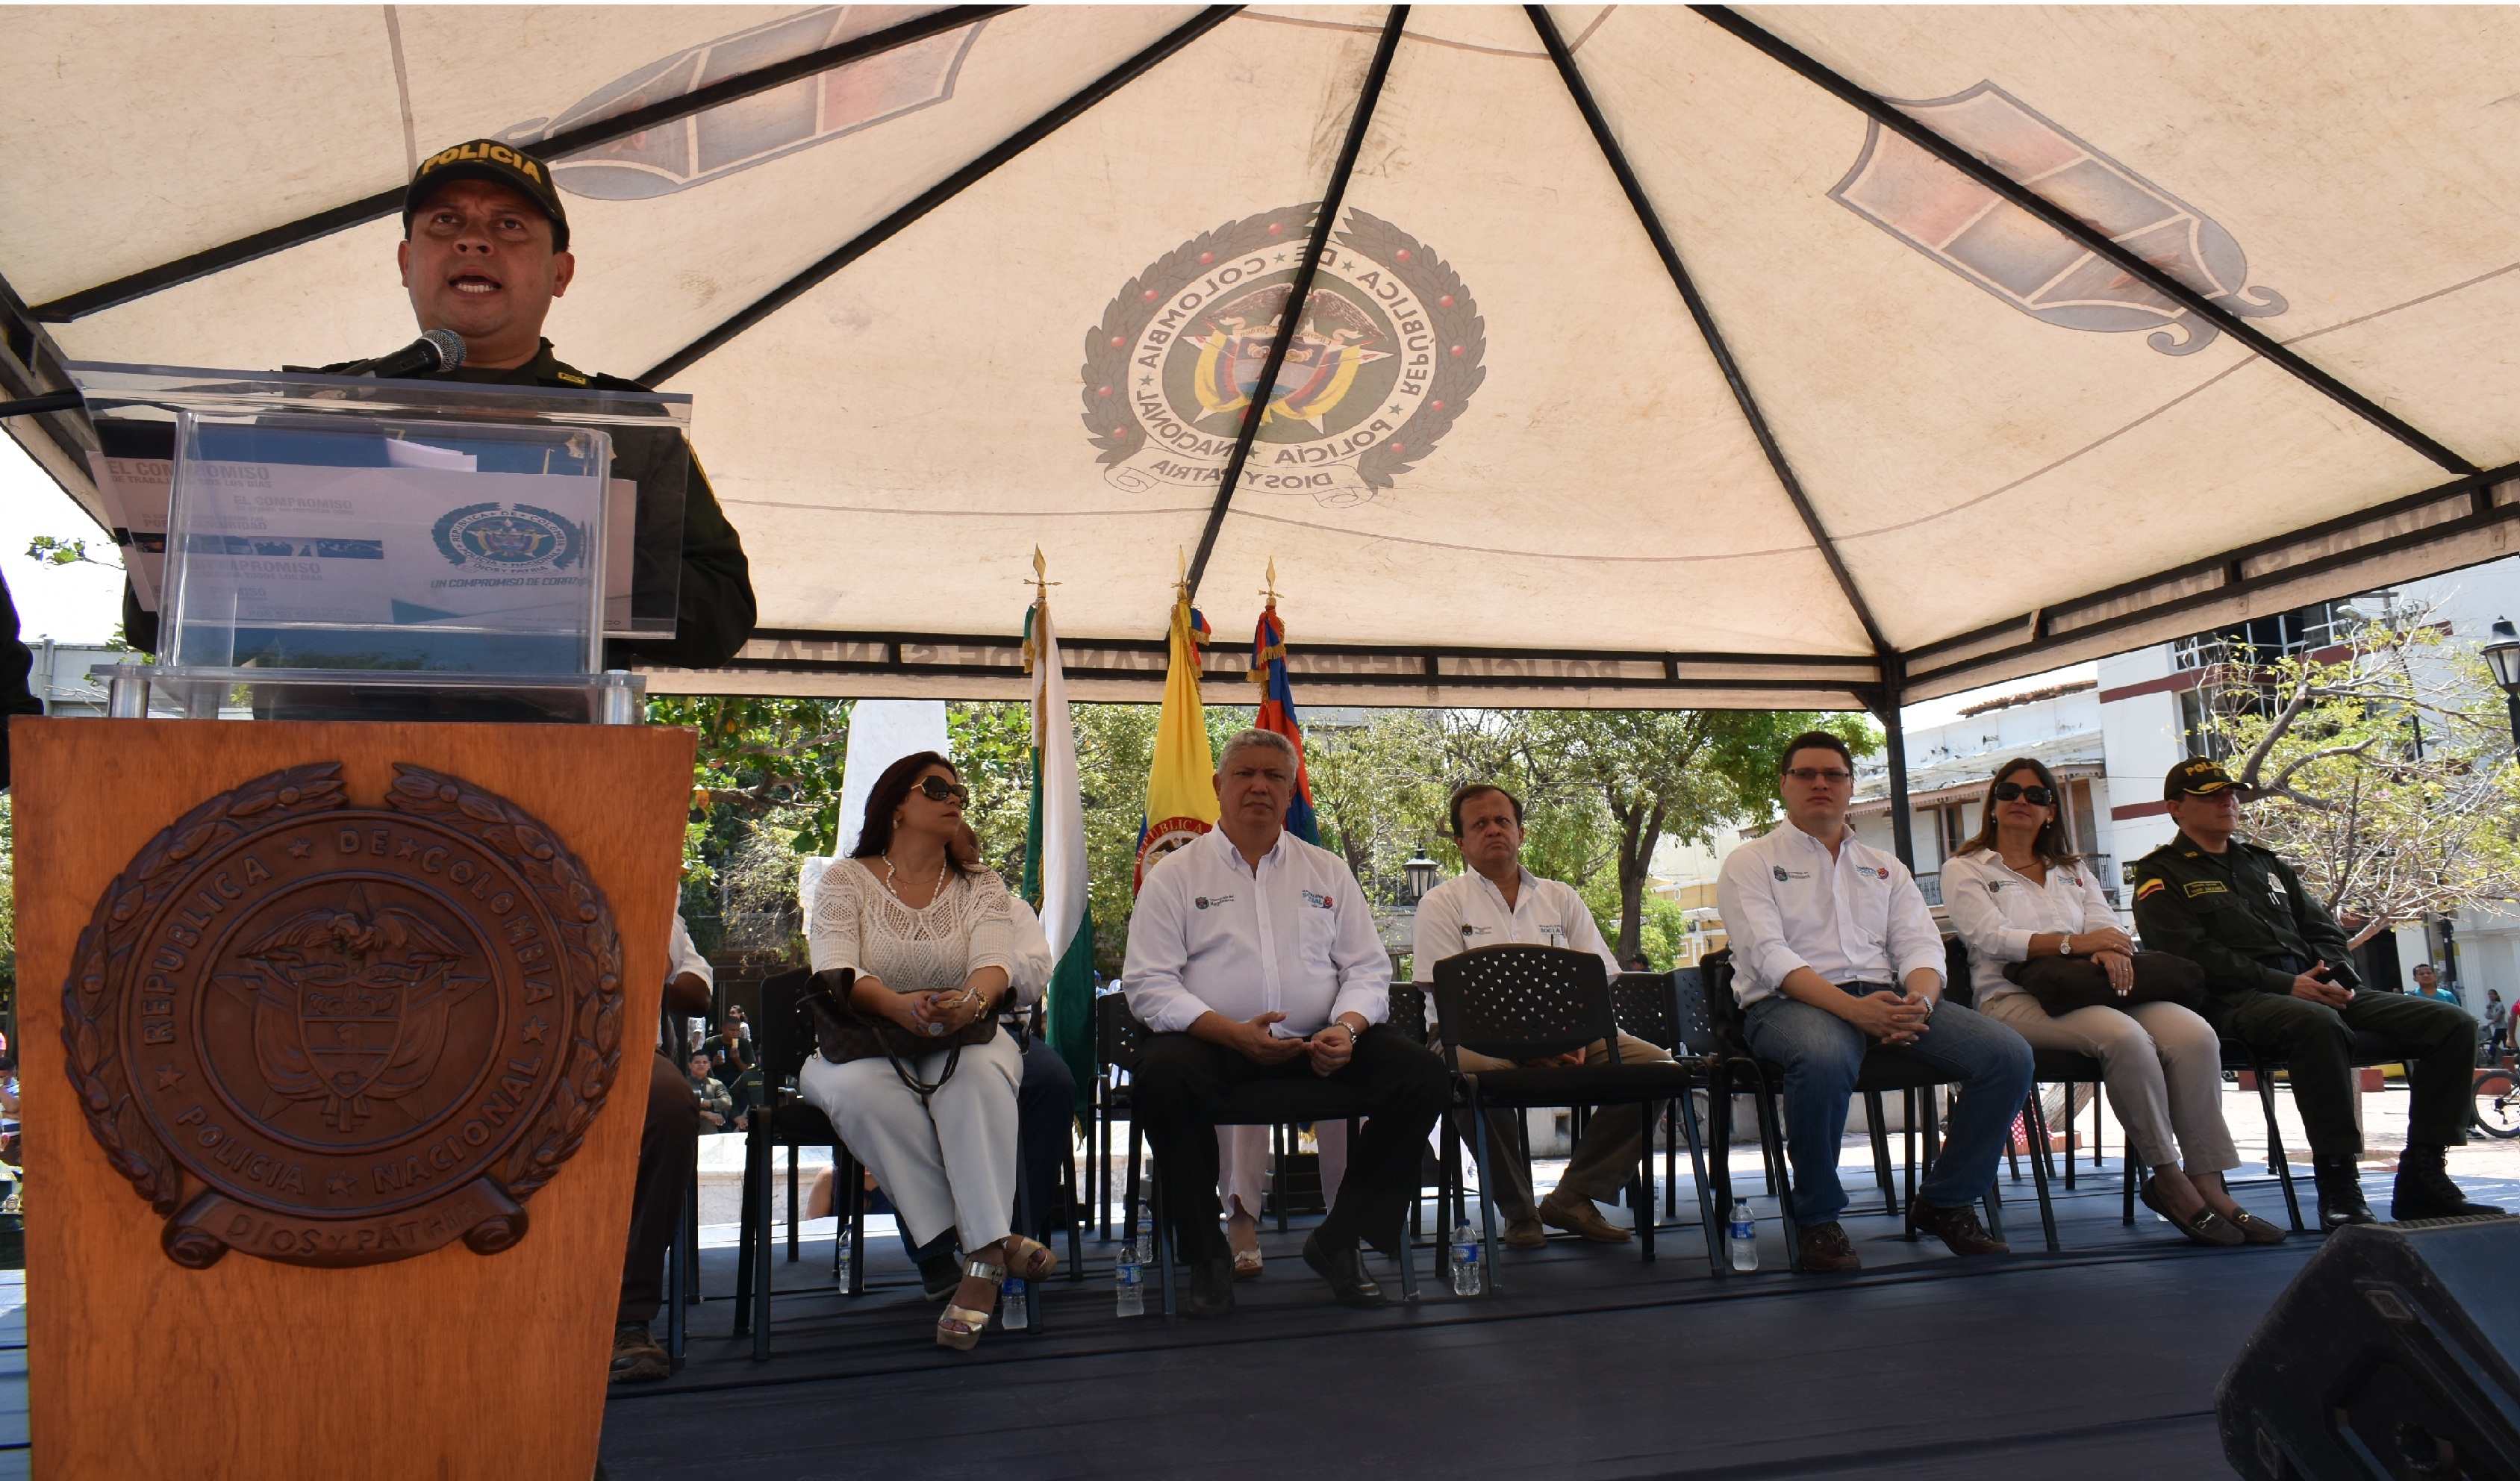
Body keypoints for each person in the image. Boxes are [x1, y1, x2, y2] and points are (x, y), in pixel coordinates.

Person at [117, 139, 755, 671]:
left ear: (560, 273)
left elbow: (722, 617)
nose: (473, 242)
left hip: (545, 765)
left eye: (509, 226)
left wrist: (567, 551)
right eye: (445, 223)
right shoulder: (311, 413)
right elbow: (157, 622)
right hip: (318, 770)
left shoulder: (624, 427)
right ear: (406, 261)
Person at [1123, 729, 1450, 1316]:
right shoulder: (1175, 876)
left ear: (1290, 789)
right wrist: (1228, 1031)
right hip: (1212, 1043)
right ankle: (1207, 1255)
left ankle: (1340, 1237)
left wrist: (1347, 1030)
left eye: (1274, 776)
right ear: (1218, 786)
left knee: (1423, 1075)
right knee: (1163, 1079)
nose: (1258, 786)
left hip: (1322, 1041)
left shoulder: (1326, 871)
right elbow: (1148, 984)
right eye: (1245, 774)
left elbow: (1369, 969)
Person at [1715, 731, 2034, 1272]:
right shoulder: (1752, 861)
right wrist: (1852, 1010)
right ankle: (1817, 1219)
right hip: (1786, 1005)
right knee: (1823, 1055)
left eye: (1833, 775)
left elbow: (1921, 946)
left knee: (2007, 1056)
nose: (1821, 784)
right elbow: (1768, 955)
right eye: (1806, 774)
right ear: (1784, 786)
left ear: (1850, 786)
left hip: (1885, 1000)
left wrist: (1921, 1005)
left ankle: (1946, 1200)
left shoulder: (1885, 866)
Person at [2132, 758, 2500, 1228]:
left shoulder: (2265, 865)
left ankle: (2425, 1177)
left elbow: (2321, 928)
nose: (2228, 801)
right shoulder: (2159, 872)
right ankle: (2338, 1182)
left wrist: (2328, 974)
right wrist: (2287, 985)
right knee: (2316, 1024)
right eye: (2210, 795)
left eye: (2230, 793)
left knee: (2451, 1023)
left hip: (2313, 990)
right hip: (2237, 1001)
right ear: (2175, 809)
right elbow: (2191, 954)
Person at [1943, 758, 2279, 1247]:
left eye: (2036, 796)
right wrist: (2072, 943)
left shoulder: (2073, 870)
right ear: (1993, 805)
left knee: (2194, 1035)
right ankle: (2169, 1179)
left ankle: (2210, 1183)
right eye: (2010, 792)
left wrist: (2100, 945)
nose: (2022, 801)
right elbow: (1991, 937)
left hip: (2096, 988)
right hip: (2012, 1000)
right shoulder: (1965, 868)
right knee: (2125, 1038)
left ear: (2051, 813)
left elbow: (2111, 930)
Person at [797, 752, 1055, 1350]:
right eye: (937, 787)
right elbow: (835, 968)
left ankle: (975, 1256)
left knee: (982, 1081)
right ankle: (990, 1248)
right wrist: (896, 1004)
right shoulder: (844, 880)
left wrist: (968, 1003)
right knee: (865, 1098)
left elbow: (996, 961)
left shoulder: (981, 886)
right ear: (896, 806)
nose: (954, 797)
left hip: (962, 1033)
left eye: (959, 788)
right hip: (863, 1043)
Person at [1412, 782, 1674, 1249]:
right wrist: (1524, 1044)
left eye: (1503, 821)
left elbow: (1598, 979)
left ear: (1521, 832)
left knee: (1658, 1070)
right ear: (1460, 843)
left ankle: (1574, 1195)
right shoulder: (1442, 902)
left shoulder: (1561, 898)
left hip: (1572, 1037)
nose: (1494, 830)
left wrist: (1564, 1037)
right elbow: (1446, 990)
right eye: (1480, 824)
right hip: (1469, 1039)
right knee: (1473, 1078)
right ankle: (1519, 1211)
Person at [611, 912, 713, 1384]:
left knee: (672, 1107)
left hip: (627, 1045)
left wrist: (641, 957)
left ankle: (629, 1318)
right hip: (520, 1035)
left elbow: (696, 989)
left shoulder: (652, 887)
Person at [686, 1053, 733, 1132]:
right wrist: (707, 1114)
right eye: (697, 1062)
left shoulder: (716, 1084)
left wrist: (703, 1102)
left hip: (710, 1130)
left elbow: (727, 1103)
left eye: (705, 1062)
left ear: (709, 1065)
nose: (701, 1065)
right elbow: (681, 1106)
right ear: (690, 1065)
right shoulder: (683, 1083)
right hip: (688, 1128)